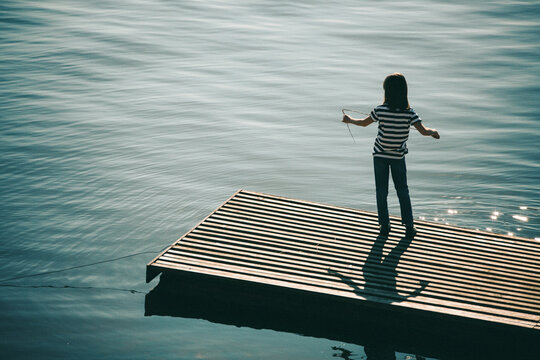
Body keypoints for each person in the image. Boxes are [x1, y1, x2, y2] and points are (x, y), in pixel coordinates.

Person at [342, 73, 439, 238]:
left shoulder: (380, 110)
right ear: (404, 92)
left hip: (379, 155)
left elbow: (364, 123)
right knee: (403, 190)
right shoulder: (410, 113)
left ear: (387, 91)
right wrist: (434, 132)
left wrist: (349, 120)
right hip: (398, 158)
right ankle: (409, 226)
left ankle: (384, 225)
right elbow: (423, 131)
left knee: (381, 191)